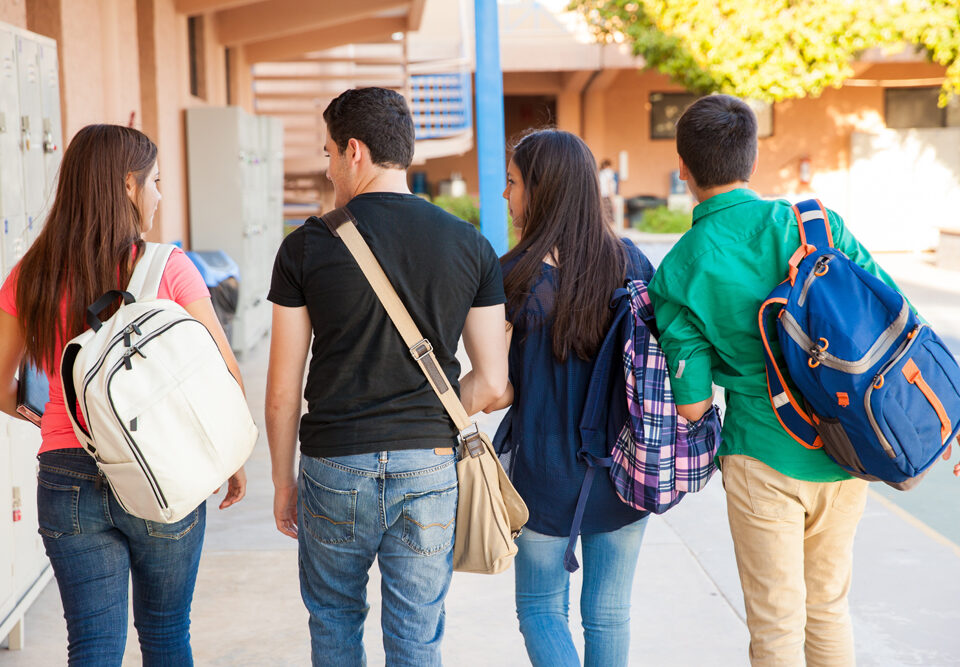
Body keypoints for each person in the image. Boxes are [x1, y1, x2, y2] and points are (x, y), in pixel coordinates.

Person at [648, 95, 906, 666]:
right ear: (753, 159)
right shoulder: (817, 225)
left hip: (762, 457)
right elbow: (895, 318)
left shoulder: (680, 270)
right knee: (829, 609)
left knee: (776, 624)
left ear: (682, 168)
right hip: (847, 450)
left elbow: (692, 406)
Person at [264, 87, 508, 666]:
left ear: (354, 151)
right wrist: (432, 409)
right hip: (428, 464)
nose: (327, 171)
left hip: (333, 465)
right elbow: (493, 382)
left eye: (327, 154)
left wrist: (282, 484)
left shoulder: (304, 248)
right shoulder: (471, 245)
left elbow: (281, 394)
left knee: (334, 623)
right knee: (417, 635)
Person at [0, 124, 247, 665]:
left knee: (91, 646)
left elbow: (1, 383)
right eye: (155, 181)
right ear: (129, 187)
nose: (160, 194)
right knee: (165, 633)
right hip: (164, 466)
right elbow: (224, 371)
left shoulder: (31, 273)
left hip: (66, 471)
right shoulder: (168, 266)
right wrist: (227, 455)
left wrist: (45, 420)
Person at [483, 129, 655, 667]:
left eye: (512, 184)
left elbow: (499, 387)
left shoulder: (512, 277)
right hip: (626, 469)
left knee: (539, 607)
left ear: (542, 189)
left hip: (540, 471)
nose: (505, 196)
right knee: (609, 612)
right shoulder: (633, 265)